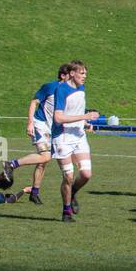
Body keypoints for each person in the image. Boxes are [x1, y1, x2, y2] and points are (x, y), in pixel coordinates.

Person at [2, 65, 70, 205]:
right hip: (40, 124)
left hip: (53, 129)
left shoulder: (69, 92)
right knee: (45, 156)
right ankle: (11, 164)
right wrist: (30, 123)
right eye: (71, 74)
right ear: (63, 76)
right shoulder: (50, 87)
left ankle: (34, 192)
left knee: (43, 161)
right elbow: (34, 102)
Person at [50, 60, 99, 223]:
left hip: (79, 136)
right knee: (69, 176)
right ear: (72, 74)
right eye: (82, 73)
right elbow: (58, 117)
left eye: (86, 73)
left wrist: (85, 123)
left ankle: (73, 193)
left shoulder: (81, 88)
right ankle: (66, 211)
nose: (85, 76)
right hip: (63, 137)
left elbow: (75, 110)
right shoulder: (62, 89)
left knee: (86, 174)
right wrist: (85, 116)